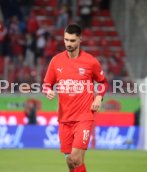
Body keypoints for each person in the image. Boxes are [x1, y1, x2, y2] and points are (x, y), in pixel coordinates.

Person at [43, 24, 108, 172]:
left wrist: (98, 98)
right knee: (71, 163)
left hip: (84, 117)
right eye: (66, 40)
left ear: (80, 39)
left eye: (72, 40)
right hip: (64, 119)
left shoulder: (90, 61)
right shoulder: (56, 61)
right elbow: (47, 84)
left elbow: (103, 82)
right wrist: (47, 91)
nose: (68, 44)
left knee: (75, 158)